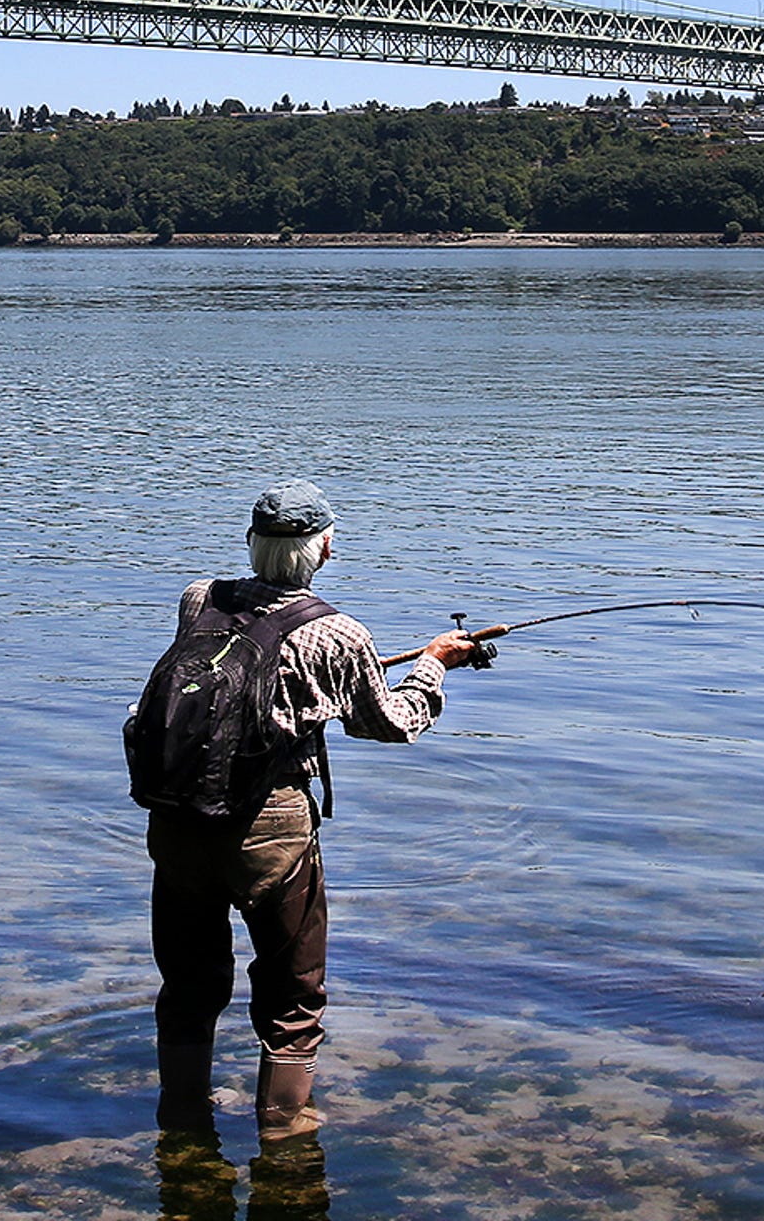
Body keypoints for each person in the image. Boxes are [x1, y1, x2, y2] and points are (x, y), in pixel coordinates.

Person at [130, 478, 484, 1143]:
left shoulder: (198, 600)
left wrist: (337, 678)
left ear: (251, 543)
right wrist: (434, 665)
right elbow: (390, 723)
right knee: (293, 1000)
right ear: (324, 550)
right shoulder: (339, 633)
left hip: (177, 823)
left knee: (187, 987)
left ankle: (181, 1122)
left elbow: (246, 675)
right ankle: (287, 1134)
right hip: (271, 834)